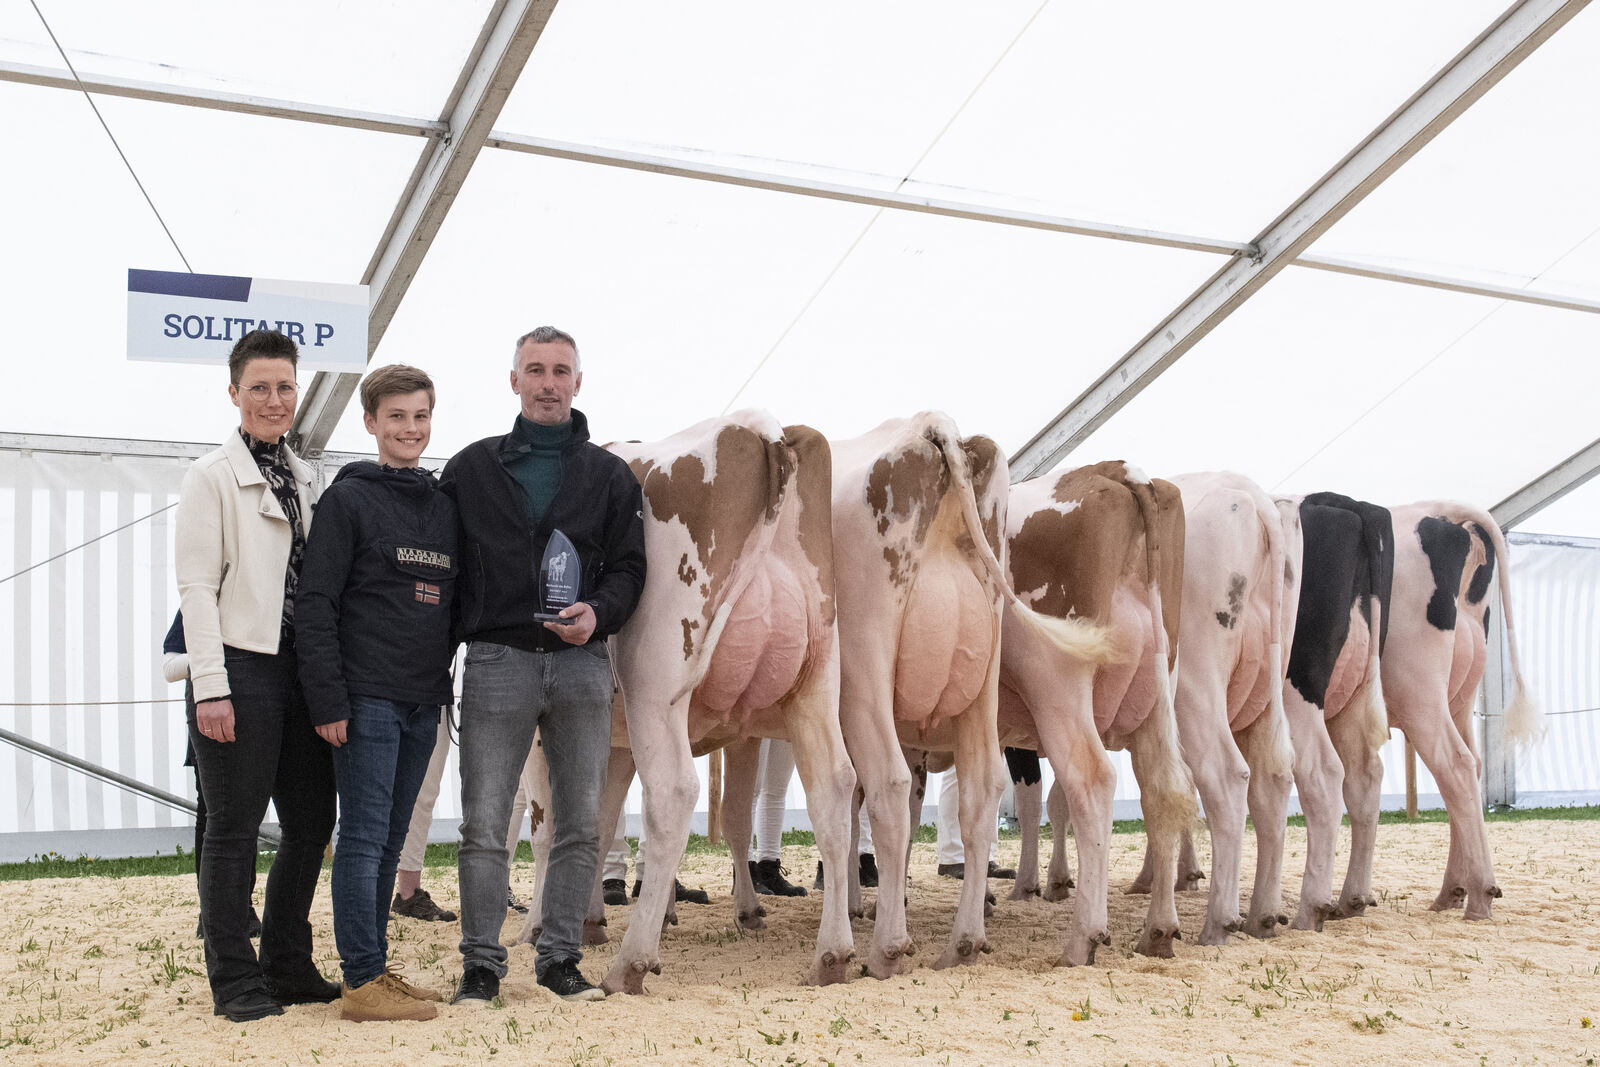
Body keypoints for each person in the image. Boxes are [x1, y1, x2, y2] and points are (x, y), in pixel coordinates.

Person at [443, 326, 646, 1004]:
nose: (548, 381)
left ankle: (560, 958)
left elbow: (630, 568)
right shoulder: (471, 470)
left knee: (580, 821)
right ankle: (480, 964)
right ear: (514, 380)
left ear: (579, 383)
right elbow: (444, 573)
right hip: (497, 660)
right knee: (484, 820)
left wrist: (600, 611)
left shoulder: (610, 476)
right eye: (535, 369)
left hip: (582, 662)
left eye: (561, 370)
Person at [174, 328, 338, 1022]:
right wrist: (210, 684)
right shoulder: (210, 476)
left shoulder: (309, 477)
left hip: (300, 671)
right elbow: (195, 588)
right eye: (260, 387)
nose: (274, 400)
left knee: (310, 821)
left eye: (285, 387)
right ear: (234, 392)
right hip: (239, 667)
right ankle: (234, 979)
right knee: (234, 828)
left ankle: (287, 963)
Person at [295, 364, 458, 1022]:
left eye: (420, 416)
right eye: (396, 417)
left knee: (391, 840)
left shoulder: (444, 505)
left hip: (424, 698)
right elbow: (316, 602)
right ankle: (361, 980)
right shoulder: (349, 499)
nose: (410, 429)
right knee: (362, 838)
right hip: (366, 698)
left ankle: (377, 967)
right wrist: (328, 698)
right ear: (371, 423)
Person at [162, 612, 260, 941]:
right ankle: (215, 911)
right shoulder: (201, 598)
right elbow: (170, 666)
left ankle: (241, 906)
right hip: (211, 720)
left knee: (247, 817)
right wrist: (214, 658)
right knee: (213, 816)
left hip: (261, 713)